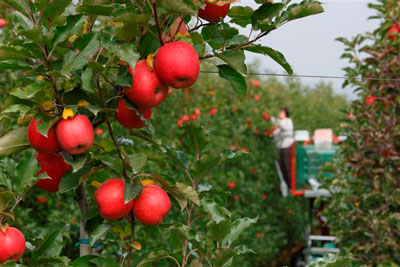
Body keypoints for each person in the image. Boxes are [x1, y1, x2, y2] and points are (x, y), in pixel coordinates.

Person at [271, 107, 294, 188]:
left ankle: (291, 186)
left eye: (281, 112)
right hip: (280, 148)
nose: (279, 113)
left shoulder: (288, 121)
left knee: (288, 167)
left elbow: (283, 127)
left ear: (285, 113)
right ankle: (287, 186)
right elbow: (275, 134)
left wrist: (272, 119)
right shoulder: (280, 123)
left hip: (287, 147)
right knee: (282, 167)